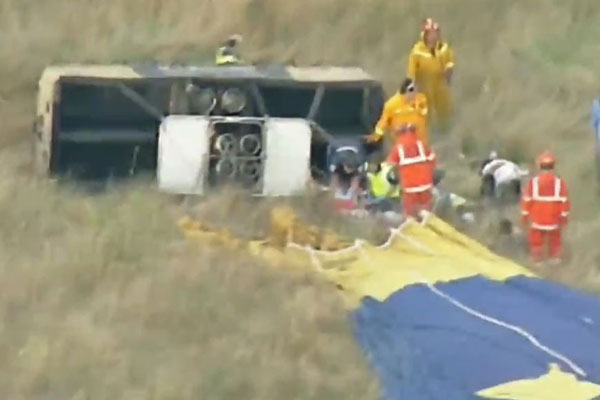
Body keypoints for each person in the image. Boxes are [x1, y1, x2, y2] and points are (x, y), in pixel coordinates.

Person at [521, 150, 570, 265]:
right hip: (554, 216)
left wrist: (525, 215)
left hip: (537, 216)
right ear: (553, 165)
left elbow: (527, 199)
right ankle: (555, 260)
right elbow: (564, 201)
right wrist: (564, 217)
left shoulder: (534, 182)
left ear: (540, 166)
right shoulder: (560, 182)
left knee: (536, 241)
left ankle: (538, 261)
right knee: (555, 240)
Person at [407, 18, 455, 129]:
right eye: (431, 34)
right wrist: (412, 87)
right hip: (424, 84)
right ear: (425, 35)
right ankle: (427, 130)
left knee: (445, 108)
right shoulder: (417, 51)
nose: (434, 36)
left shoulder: (443, 47)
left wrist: (449, 69)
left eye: (436, 33)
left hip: (440, 83)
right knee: (425, 111)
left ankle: (445, 128)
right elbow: (411, 71)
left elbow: (450, 60)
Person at [387, 123, 436, 218]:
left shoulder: (398, 148)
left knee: (410, 213)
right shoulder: (422, 145)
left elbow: (391, 164)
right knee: (427, 210)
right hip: (425, 183)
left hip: (410, 186)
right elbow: (432, 159)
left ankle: (414, 228)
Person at [366, 78, 429, 144]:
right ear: (406, 91)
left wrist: (415, 105)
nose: (415, 93)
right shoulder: (391, 105)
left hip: (420, 140)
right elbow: (383, 123)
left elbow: (424, 113)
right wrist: (376, 136)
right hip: (401, 142)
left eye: (417, 90)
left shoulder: (421, 99)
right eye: (413, 91)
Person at [328, 147, 367, 211]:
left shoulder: (355, 175)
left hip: (349, 192)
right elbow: (333, 185)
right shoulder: (337, 172)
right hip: (341, 174)